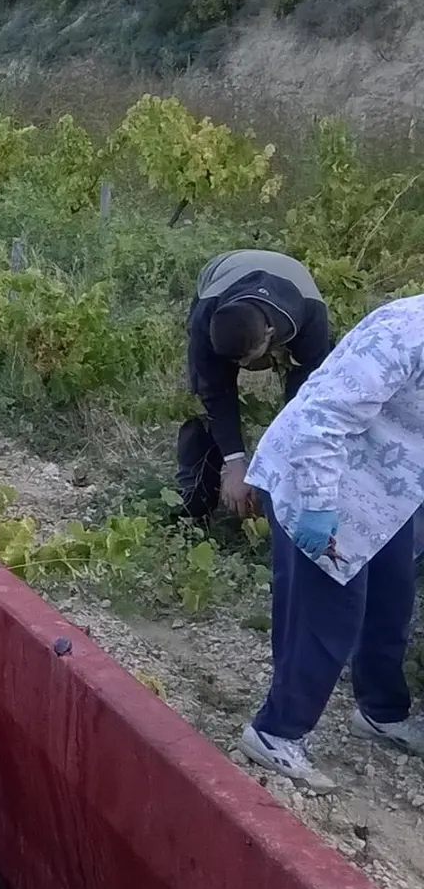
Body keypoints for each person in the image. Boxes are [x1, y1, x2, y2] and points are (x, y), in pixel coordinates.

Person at [237, 292, 424, 791]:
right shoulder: (406, 332)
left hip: (389, 488)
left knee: (391, 600)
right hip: (320, 475)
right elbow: (323, 418)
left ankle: (381, 711)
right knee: (327, 615)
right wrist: (318, 506)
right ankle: (276, 731)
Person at [177, 249, 331, 519]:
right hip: (223, 271)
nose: (237, 366)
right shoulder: (207, 313)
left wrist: (278, 461)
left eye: (243, 360)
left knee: (304, 405)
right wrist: (235, 466)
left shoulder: (312, 319)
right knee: (203, 403)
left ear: (269, 335)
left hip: (295, 287)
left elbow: (308, 399)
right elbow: (213, 391)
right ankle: (195, 505)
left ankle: (285, 498)